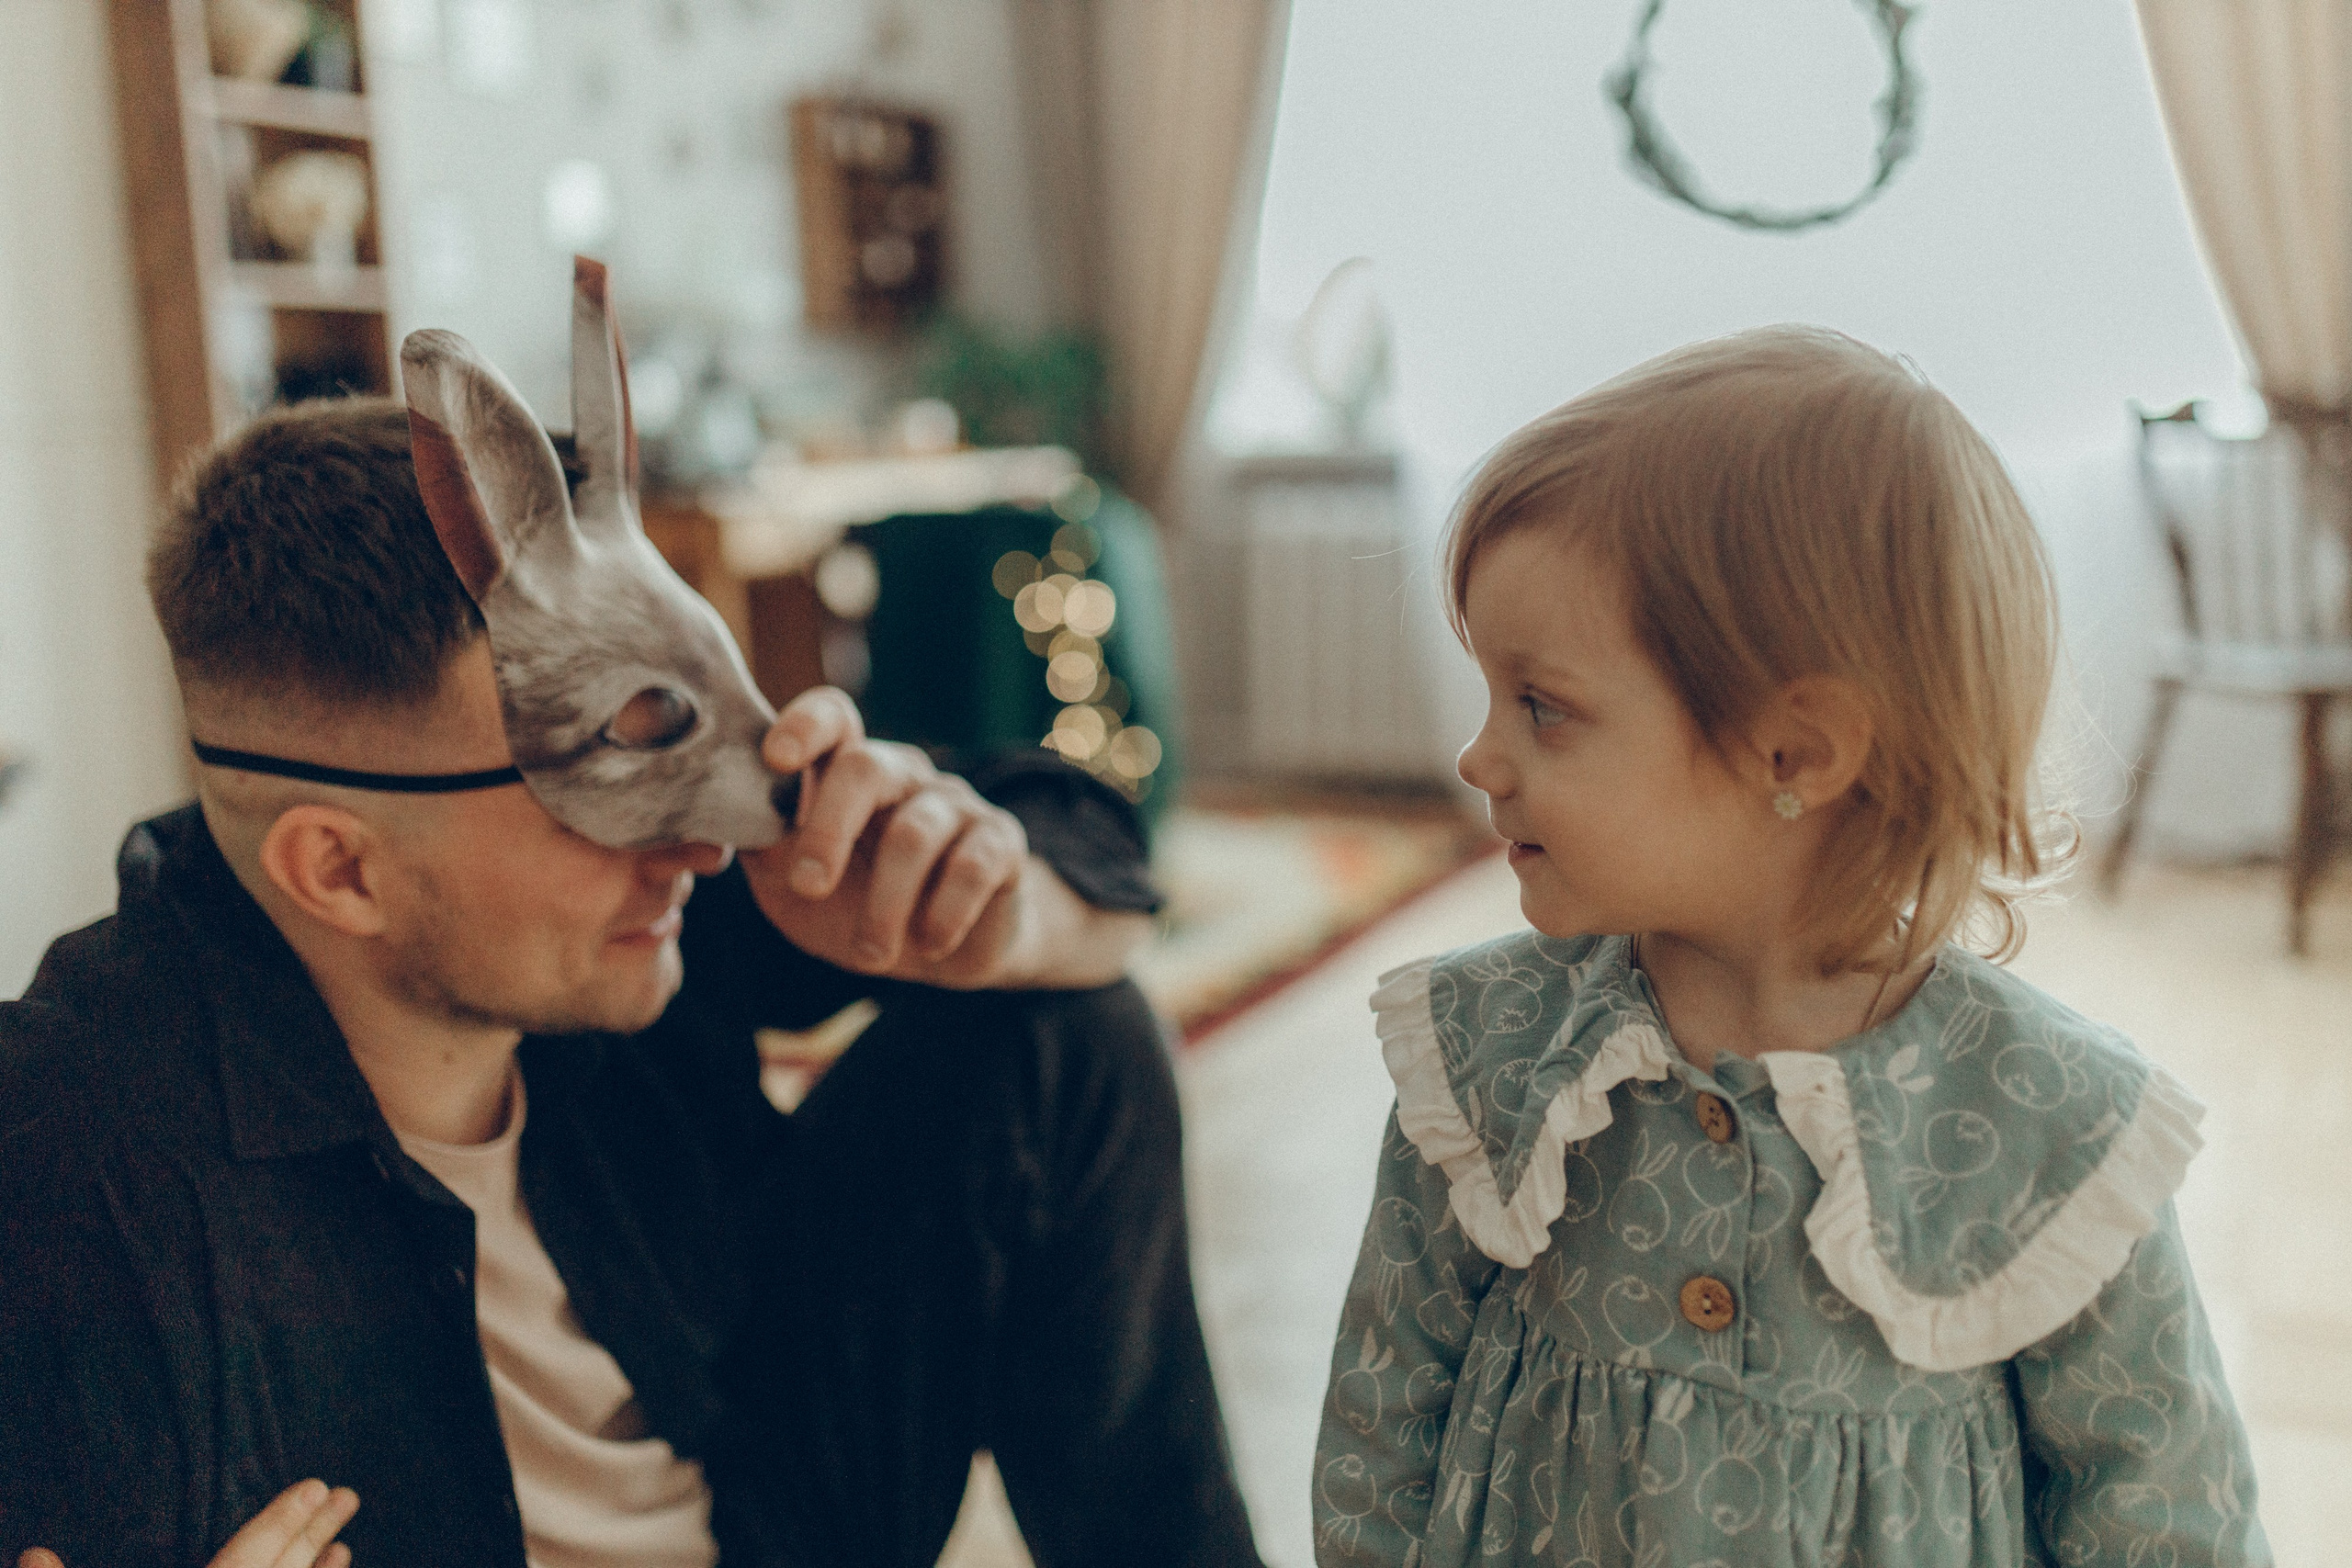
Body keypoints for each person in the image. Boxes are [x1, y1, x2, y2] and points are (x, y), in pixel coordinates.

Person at [0, 399, 1264, 1568]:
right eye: (596, 787)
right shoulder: (67, 1156)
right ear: (339, 869)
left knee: (1067, 1040)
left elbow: (1095, 852)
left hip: (766, 1516)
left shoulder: (634, 909)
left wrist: (988, 914)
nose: (698, 844)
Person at [1312, 327, 2269, 1566]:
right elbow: (1381, 1420)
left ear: (1795, 754)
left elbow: (2165, 1518)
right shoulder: (1494, 1065)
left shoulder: (2051, 1131)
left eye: (1542, 706)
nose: (1479, 758)